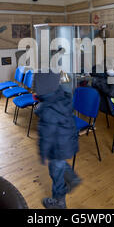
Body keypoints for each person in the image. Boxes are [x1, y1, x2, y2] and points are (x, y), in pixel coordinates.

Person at [33, 71, 81, 209]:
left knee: (55, 173)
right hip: (67, 142)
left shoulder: (48, 109)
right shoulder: (63, 97)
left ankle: (59, 201)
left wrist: (43, 154)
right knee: (60, 166)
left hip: (56, 147)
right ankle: (72, 178)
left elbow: (46, 137)